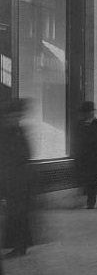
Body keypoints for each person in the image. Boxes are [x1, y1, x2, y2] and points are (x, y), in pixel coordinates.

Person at [0, 99, 35, 256]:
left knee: (18, 214)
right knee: (16, 214)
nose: (17, 118)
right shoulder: (14, 130)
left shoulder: (16, 131)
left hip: (17, 179)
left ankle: (20, 246)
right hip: (13, 178)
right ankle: (19, 245)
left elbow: (25, 154)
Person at [73, 101, 97, 209]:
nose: (87, 114)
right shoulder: (79, 125)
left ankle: (91, 201)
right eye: (85, 112)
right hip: (83, 158)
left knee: (92, 180)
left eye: (89, 112)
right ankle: (89, 198)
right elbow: (75, 141)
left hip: (94, 158)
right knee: (86, 179)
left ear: (93, 112)